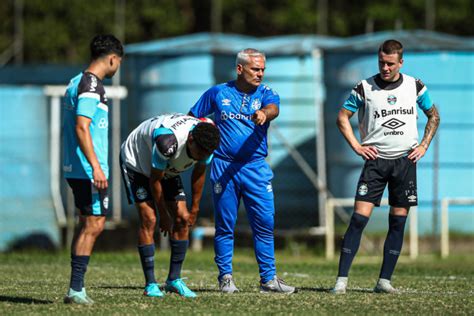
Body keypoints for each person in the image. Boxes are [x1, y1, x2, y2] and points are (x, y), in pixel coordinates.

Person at [332, 39, 440, 294]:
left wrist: (423, 145)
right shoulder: (364, 87)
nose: (385, 67)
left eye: (390, 63)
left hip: (405, 162)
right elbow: (341, 117)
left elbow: (433, 115)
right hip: (376, 164)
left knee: (398, 222)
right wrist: (357, 147)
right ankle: (341, 280)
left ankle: (384, 281)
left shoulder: (415, 86)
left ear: (401, 62)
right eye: (381, 62)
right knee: (358, 220)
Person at [188, 48, 296, 294]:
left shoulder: (267, 93)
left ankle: (268, 280)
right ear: (240, 69)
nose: (260, 74)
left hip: (256, 168)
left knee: (264, 223)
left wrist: (263, 114)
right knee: (225, 224)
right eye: (255, 69)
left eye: (262, 70)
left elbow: (273, 109)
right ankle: (225, 277)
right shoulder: (218, 92)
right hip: (224, 166)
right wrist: (201, 144)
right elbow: (193, 118)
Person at [120, 113, 220, 298]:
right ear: (190, 139)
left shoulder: (208, 138)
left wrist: (195, 208)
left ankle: (174, 280)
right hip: (137, 164)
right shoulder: (167, 143)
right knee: (149, 219)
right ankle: (150, 284)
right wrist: (163, 214)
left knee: (183, 219)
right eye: (198, 153)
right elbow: (155, 179)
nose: (201, 157)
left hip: (168, 168)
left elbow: (199, 173)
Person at [62, 34, 123, 304]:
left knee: (86, 222)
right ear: (112, 58)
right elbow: (81, 126)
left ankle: (76, 286)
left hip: (77, 167)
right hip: (88, 169)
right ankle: (76, 288)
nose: (117, 66)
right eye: (118, 62)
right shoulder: (91, 84)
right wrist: (97, 168)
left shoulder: (76, 81)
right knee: (95, 224)